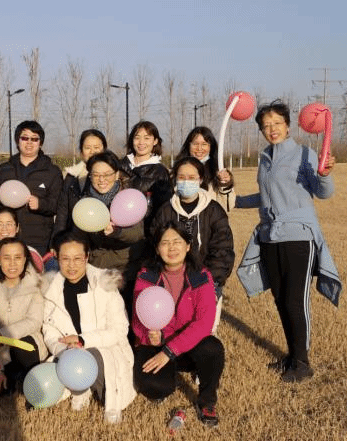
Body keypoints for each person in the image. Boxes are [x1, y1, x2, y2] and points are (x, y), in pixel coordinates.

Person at [235, 100, 340, 383]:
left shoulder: (304, 154)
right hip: (270, 237)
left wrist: (325, 175)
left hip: (298, 236)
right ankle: (292, 356)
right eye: (266, 125)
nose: (272, 129)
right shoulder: (265, 158)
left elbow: (323, 192)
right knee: (281, 299)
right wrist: (236, 201)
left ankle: (303, 363)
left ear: (288, 126)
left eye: (277, 124)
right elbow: (265, 197)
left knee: (295, 300)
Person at [132, 222, 225, 427]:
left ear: (188, 246)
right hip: (157, 344)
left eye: (177, 241)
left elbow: (204, 323)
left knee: (212, 348)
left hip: (186, 346)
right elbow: (137, 321)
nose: (172, 248)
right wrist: (150, 337)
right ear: (157, 248)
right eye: (165, 243)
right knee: (155, 388)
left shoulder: (201, 276)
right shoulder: (146, 276)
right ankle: (167, 375)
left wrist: (170, 350)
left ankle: (207, 401)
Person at [42, 232, 135, 424]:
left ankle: (89, 386)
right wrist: (64, 349)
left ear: (86, 257)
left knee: (108, 396)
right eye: (65, 259)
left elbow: (119, 329)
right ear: (57, 258)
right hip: (68, 352)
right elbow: (49, 329)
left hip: (105, 350)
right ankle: (80, 387)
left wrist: (83, 341)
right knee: (43, 390)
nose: (72, 265)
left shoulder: (104, 283)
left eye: (77, 258)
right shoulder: (51, 289)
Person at [151, 156, 235, 334]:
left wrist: (210, 284)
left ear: (201, 179)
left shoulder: (214, 210)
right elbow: (155, 245)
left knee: (204, 332)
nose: (186, 182)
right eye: (181, 177)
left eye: (191, 178)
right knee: (173, 332)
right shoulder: (165, 211)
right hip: (172, 282)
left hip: (206, 282)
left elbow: (222, 251)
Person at [0, 238, 47, 398]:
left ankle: (27, 377)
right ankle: (10, 376)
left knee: (24, 347)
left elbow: (34, 321)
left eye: (18, 257)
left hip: (26, 346)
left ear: (25, 259)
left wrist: (2, 334)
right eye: (6, 258)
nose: (12, 263)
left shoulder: (35, 286)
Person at [0, 120, 63, 255]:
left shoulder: (52, 171)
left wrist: (41, 204)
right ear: (17, 141)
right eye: (25, 138)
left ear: (40, 143)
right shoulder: (5, 169)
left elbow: (59, 205)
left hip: (39, 240)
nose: (29, 142)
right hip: (8, 237)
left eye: (34, 139)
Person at [82, 151, 145, 279]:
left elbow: (138, 233)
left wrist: (116, 232)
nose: (101, 180)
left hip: (125, 266)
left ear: (116, 175)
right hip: (96, 265)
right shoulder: (85, 201)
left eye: (107, 174)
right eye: (96, 175)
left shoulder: (128, 198)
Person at [53, 129, 107, 240]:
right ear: (81, 152)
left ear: (104, 149)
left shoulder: (112, 175)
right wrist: (57, 240)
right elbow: (63, 212)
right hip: (75, 238)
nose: (92, 151)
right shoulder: (72, 176)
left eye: (96, 147)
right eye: (87, 148)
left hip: (102, 239)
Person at [119, 121, 173, 232]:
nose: (141, 142)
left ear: (155, 141)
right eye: (137, 137)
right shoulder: (119, 165)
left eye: (147, 138)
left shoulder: (160, 172)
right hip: (117, 227)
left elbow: (163, 208)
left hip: (144, 231)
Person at [175, 126, 235, 212]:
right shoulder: (177, 170)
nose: (199, 148)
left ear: (211, 147)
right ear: (188, 145)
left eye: (204, 144)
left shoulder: (218, 171)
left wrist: (225, 185)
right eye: (195, 144)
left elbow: (227, 207)